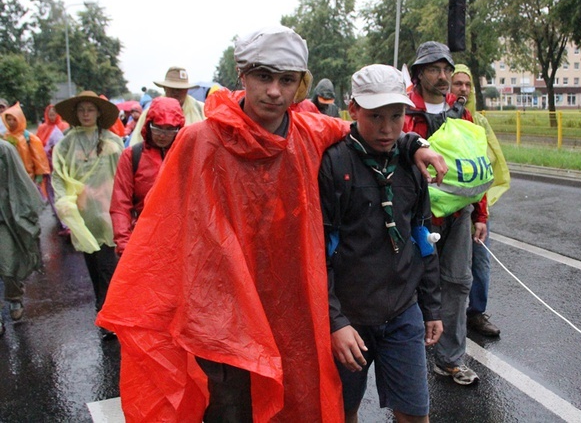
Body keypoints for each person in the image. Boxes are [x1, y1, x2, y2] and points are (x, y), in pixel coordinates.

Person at [96, 25, 447, 422]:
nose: (275, 91)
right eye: (264, 76)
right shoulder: (198, 142)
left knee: (293, 403)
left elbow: (368, 132)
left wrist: (414, 144)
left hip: (288, 308)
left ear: (300, 84)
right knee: (229, 408)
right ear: (242, 75)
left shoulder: (312, 133)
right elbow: (164, 229)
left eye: (287, 80)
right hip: (220, 312)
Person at [321, 64, 442, 423]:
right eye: (375, 116)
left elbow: (423, 236)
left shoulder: (410, 162)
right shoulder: (333, 163)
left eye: (397, 115)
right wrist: (334, 321)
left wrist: (431, 306)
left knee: (415, 413)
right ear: (353, 109)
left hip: (403, 313)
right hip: (350, 319)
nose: (387, 128)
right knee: (343, 411)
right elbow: (319, 251)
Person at [403, 41, 489, 386]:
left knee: (458, 284)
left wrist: (479, 213)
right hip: (415, 219)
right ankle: (406, 359)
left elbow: (475, 165)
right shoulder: (404, 110)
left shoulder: (461, 112)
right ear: (419, 73)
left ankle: (450, 360)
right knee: (408, 288)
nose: (443, 76)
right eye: (435, 69)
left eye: (446, 70)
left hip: (457, 217)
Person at [52, 91, 123, 325]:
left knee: (107, 265)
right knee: (92, 263)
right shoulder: (66, 144)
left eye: (90, 109)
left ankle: (108, 313)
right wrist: (64, 206)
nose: (85, 114)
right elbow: (59, 177)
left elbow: (122, 178)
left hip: (107, 213)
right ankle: (102, 308)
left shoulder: (113, 143)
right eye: (81, 110)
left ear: (98, 113)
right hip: (82, 215)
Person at [451, 64, 511, 338]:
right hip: (446, 209)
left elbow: (485, 168)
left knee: (480, 262)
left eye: (467, 84)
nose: (463, 89)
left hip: (475, 206)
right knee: (446, 268)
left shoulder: (478, 122)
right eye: (457, 83)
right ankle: (439, 318)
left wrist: (482, 215)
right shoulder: (441, 119)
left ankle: (476, 313)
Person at [110, 97, 185, 256]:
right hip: (143, 239)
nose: (163, 135)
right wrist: (124, 244)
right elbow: (120, 204)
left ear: (179, 128)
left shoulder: (188, 155)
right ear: (148, 124)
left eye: (169, 129)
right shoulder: (132, 156)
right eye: (157, 127)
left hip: (181, 242)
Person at [0, 138, 43, 336]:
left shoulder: (5, 149)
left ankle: (14, 295)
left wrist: (27, 211)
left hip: (4, 219)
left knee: (8, 267)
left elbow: (19, 181)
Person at [128, 66, 205, 145]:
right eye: (172, 89)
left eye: (180, 89)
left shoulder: (201, 110)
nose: (176, 92)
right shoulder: (151, 111)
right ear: (165, 88)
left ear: (187, 89)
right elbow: (137, 142)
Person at [1, 102, 50, 187]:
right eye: (9, 119)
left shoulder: (29, 137)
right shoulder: (5, 136)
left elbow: (38, 156)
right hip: (10, 175)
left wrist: (39, 174)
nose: (11, 122)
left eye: (14, 119)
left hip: (28, 176)